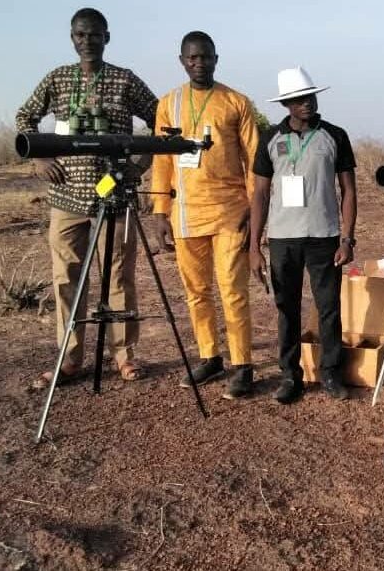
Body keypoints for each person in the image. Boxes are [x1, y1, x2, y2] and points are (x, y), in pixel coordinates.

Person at [16, 7, 158, 388]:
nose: (88, 41)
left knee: (119, 278)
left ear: (107, 37)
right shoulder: (58, 79)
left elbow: (160, 117)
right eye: (81, 35)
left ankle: (125, 357)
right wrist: (40, 159)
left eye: (95, 34)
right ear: (72, 38)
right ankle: (70, 358)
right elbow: (25, 117)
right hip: (66, 198)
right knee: (67, 279)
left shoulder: (124, 80)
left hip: (113, 197)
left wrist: (137, 165)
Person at [150, 31, 259, 400]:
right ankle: (210, 356)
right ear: (182, 60)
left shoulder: (236, 102)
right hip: (185, 212)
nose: (200, 63)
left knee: (233, 289)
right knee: (196, 291)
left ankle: (242, 365)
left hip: (230, 210)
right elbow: (162, 159)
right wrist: (160, 211)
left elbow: (254, 160)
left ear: (216, 58)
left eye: (206, 57)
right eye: (192, 58)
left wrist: (252, 207)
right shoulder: (169, 103)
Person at [250, 67, 356, 404]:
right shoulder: (269, 138)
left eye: (309, 96)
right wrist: (254, 246)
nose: (306, 103)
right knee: (287, 308)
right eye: (297, 99)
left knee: (328, 309)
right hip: (283, 239)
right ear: (286, 104)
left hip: (324, 237)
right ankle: (290, 376)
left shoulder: (334, 135)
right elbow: (260, 195)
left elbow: (349, 191)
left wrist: (347, 238)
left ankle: (330, 373)